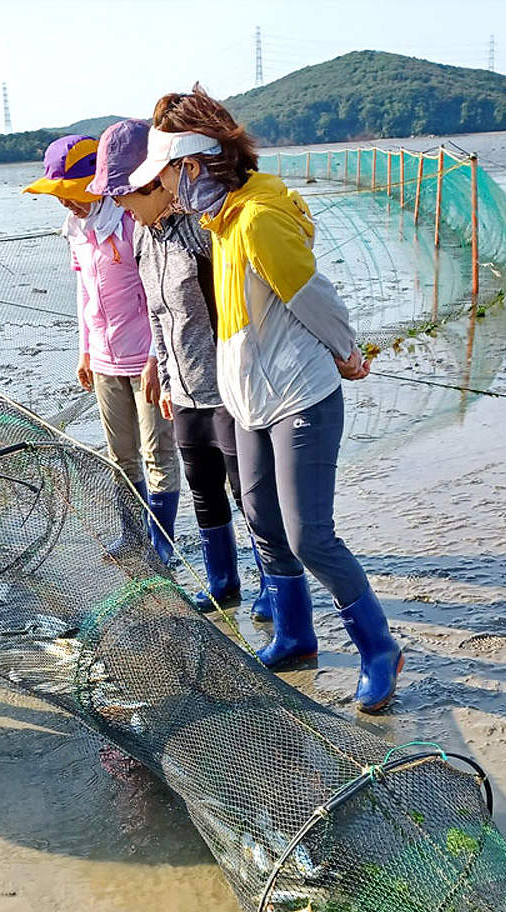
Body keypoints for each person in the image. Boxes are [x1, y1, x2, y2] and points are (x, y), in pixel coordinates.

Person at [127, 85, 404, 712]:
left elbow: (313, 295)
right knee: (262, 519)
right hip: (247, 398)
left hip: (300, 393)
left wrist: (347, 350)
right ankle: (295, 635)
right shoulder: (219, 222)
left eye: (168, 177)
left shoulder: (257, 216)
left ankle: (378, 646)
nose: (166, 192)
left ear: (194, 165)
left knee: (310, 535)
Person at [88, 119, 269, 617]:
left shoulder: (202, 234)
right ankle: (222, 582)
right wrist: (165, 379)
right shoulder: (146, 240)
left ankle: (270, 589)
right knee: (204, 490)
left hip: (229, 390)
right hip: (184, 393)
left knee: (247, 494)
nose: (119, 206)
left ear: (152, 185)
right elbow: (157, 317)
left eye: (124, 195)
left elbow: (236, 310)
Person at [23, 134, 181, 563]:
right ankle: (132, 536)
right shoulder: (78, 230)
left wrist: (155, 359)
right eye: (61, 197)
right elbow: (84, 292)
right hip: (105, 359)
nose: (68, 205)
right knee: (120, 454)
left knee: (157, 452)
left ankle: (161, 545)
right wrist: (85, 351)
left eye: (73, 195)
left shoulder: (130, 221)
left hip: (144, 358)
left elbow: (156, 293)